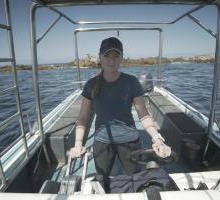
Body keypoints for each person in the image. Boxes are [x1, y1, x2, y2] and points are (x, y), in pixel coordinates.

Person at [70, 37, 171, 181]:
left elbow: (143, 115)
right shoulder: (91, 85)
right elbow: (82, 118)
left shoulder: (132, 82)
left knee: (137, 179)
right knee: (102, 180)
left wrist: (157, 139)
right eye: (107, 56)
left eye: (116, 56)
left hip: (130, 141)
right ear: (100, 57)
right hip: (102, 142)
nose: (111, 61)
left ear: (122, 58)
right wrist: (78, 144)